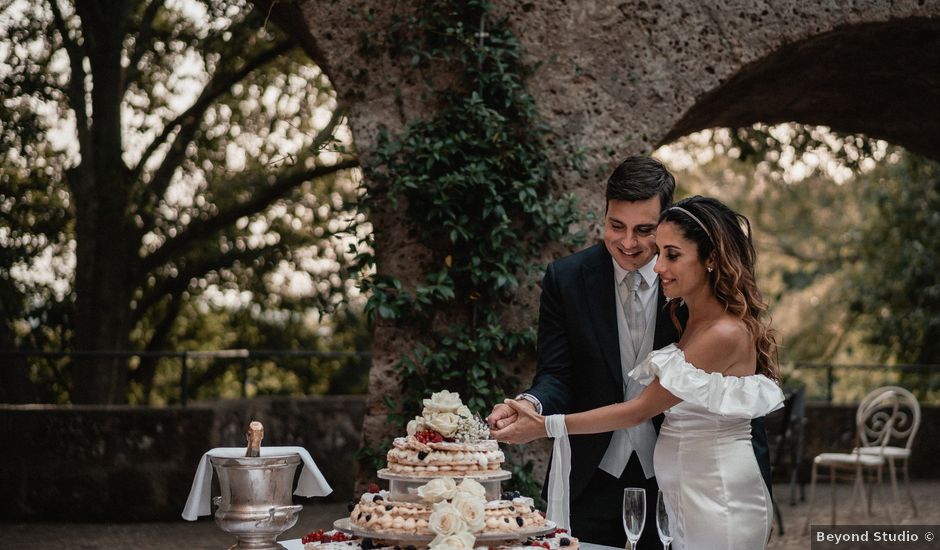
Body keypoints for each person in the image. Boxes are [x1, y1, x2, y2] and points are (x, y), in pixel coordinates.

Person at [493, 195, 785, 550]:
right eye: (660, 252)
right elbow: (560, 372)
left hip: (717, 498)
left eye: (672, 255)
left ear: (711, 259)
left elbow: (640, 409)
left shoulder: (722, 333)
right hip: (682, 501)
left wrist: (548, 427)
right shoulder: (687, 317)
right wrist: (533, 405)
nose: (658, 266)